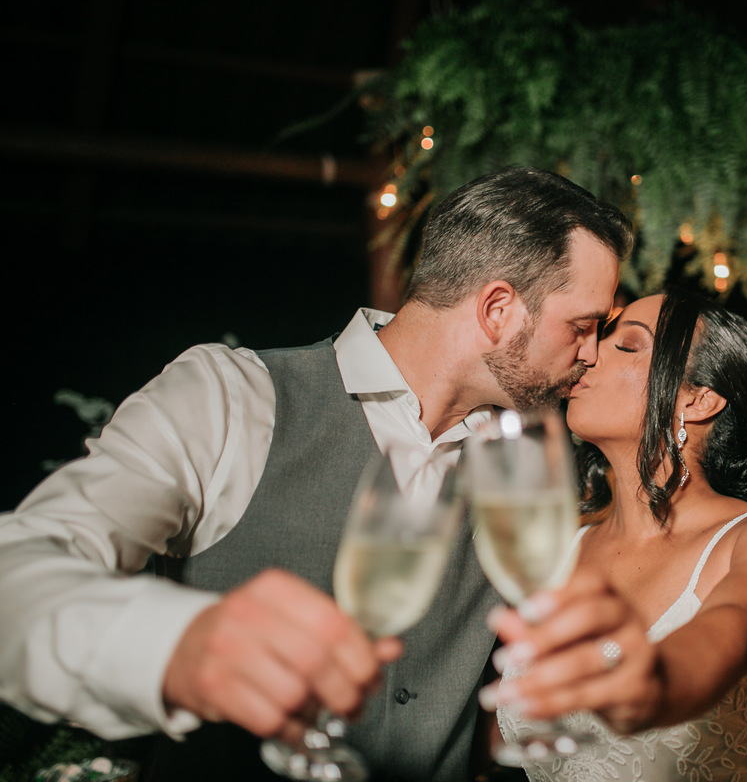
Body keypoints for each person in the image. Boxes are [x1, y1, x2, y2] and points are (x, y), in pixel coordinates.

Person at [0, 166, 632, 782]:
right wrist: (175, 645)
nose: (592, 352)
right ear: (498, 309)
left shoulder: (520, 468)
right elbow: (16, 578)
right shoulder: (232, 396)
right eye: (582, 326)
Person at [483, 288, 747, 781]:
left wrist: (658, 680)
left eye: (627, 345)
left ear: (698, 399)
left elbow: (738, 623)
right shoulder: (558, 551)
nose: (589, 353)